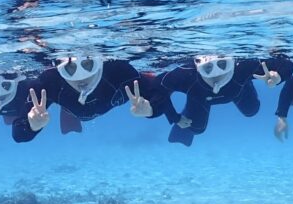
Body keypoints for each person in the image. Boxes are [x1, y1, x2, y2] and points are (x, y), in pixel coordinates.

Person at [12, 52, 179, 143]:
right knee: (63, 97)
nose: (80, 78)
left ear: (100, 61)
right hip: (69, 102)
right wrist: (32, 126)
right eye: (69, 69)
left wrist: (150, 109)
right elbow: (19, 134)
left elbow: (160, 96)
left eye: (87, 64)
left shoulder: (119, 72)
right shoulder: (49, 82)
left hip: (73, 101)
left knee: (154, 80)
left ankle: (67, 106)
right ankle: (66, 107)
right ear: (59, 68)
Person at [157, 52, 293, 145]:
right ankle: (187, 109)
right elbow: (158, 88)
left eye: (223, 64)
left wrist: (278, 77)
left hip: (237, 90)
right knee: (197, 129)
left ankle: (247, 82)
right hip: (200, 97)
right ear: (198, 67)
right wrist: (174, 117)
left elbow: (287, 64)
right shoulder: (186, 75)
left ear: (231, 62)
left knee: (252, 110)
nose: (216, 75)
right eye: (208, 68)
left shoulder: (243, 67)